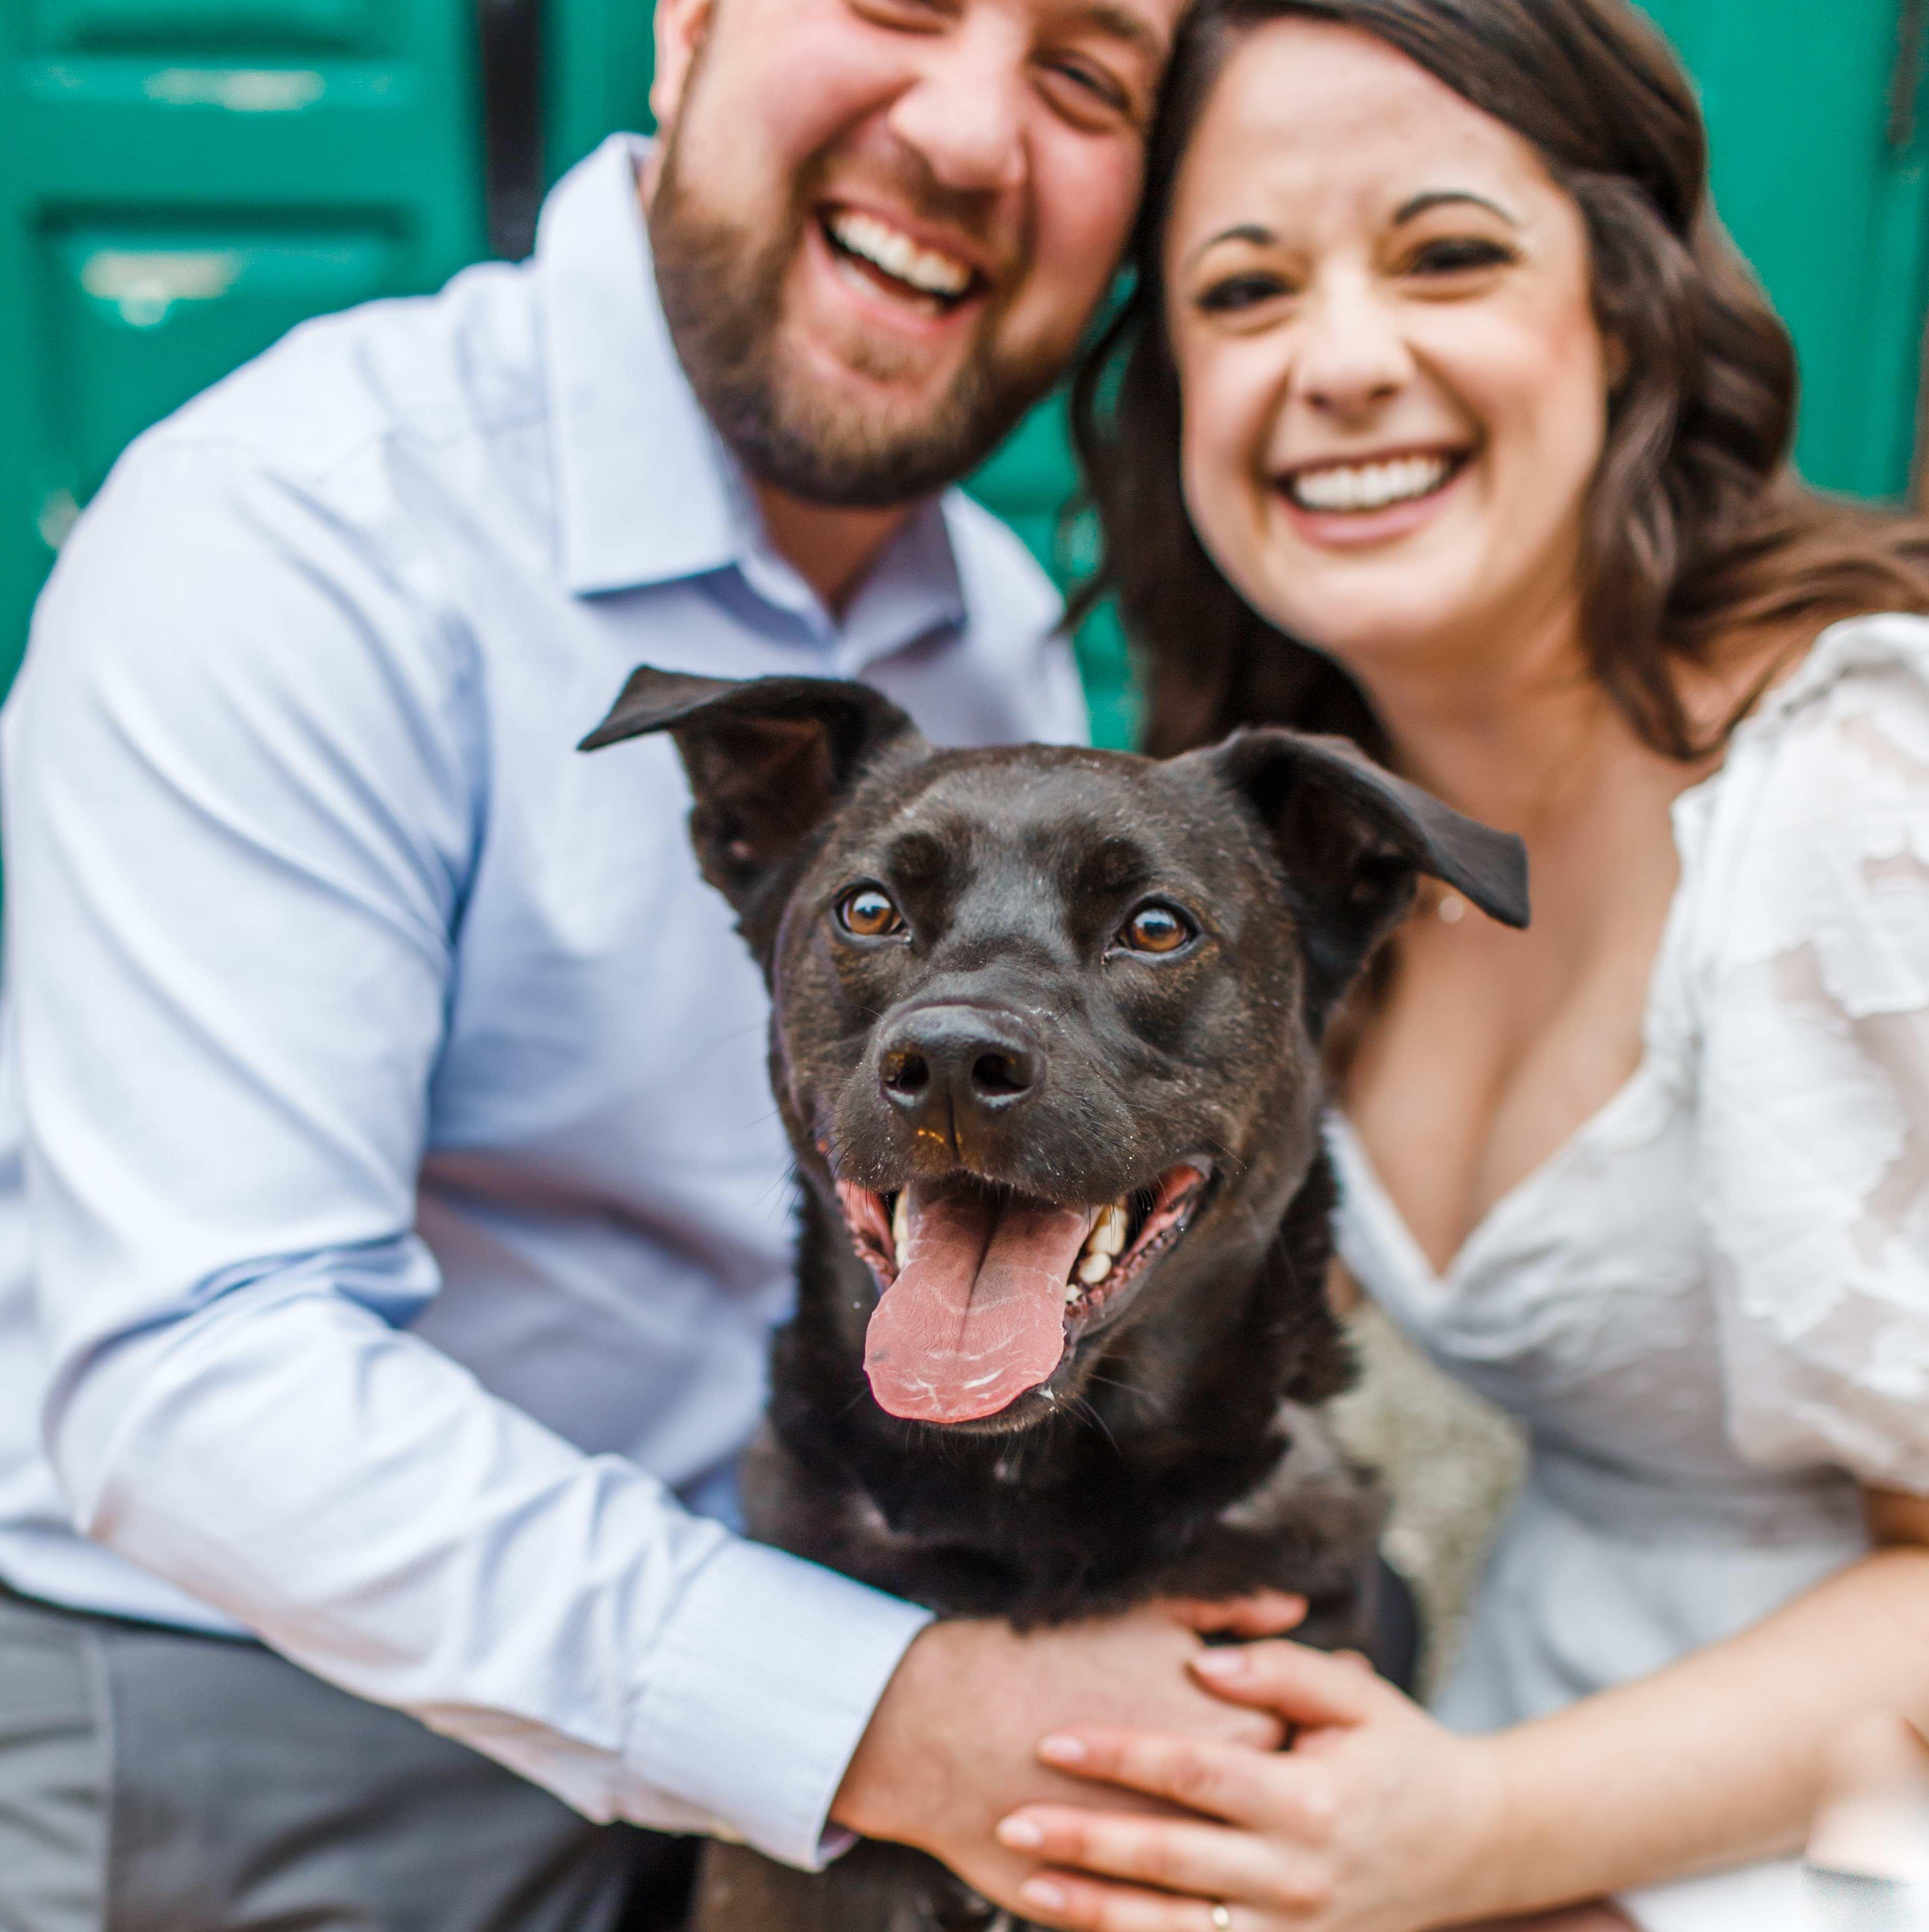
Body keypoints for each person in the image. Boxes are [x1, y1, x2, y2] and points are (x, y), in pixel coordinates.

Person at [0, 0, 1310, 1925]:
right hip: (270, 1715)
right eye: (898, 2)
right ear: (683, 24)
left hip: (804, 1658)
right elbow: (190, 1365)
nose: (970, 133)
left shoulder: (985, 617)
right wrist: (891, 1720)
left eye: (1082, 77)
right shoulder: (300, 527)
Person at [985, 2, 1929, 1928]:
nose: (1341, 362)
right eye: (1246, 290)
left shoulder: (1860, 803)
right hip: (1518, 1741)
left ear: (1624, 310)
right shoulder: (1302, 850)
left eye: (1445, 256)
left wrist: (1481, 1836)